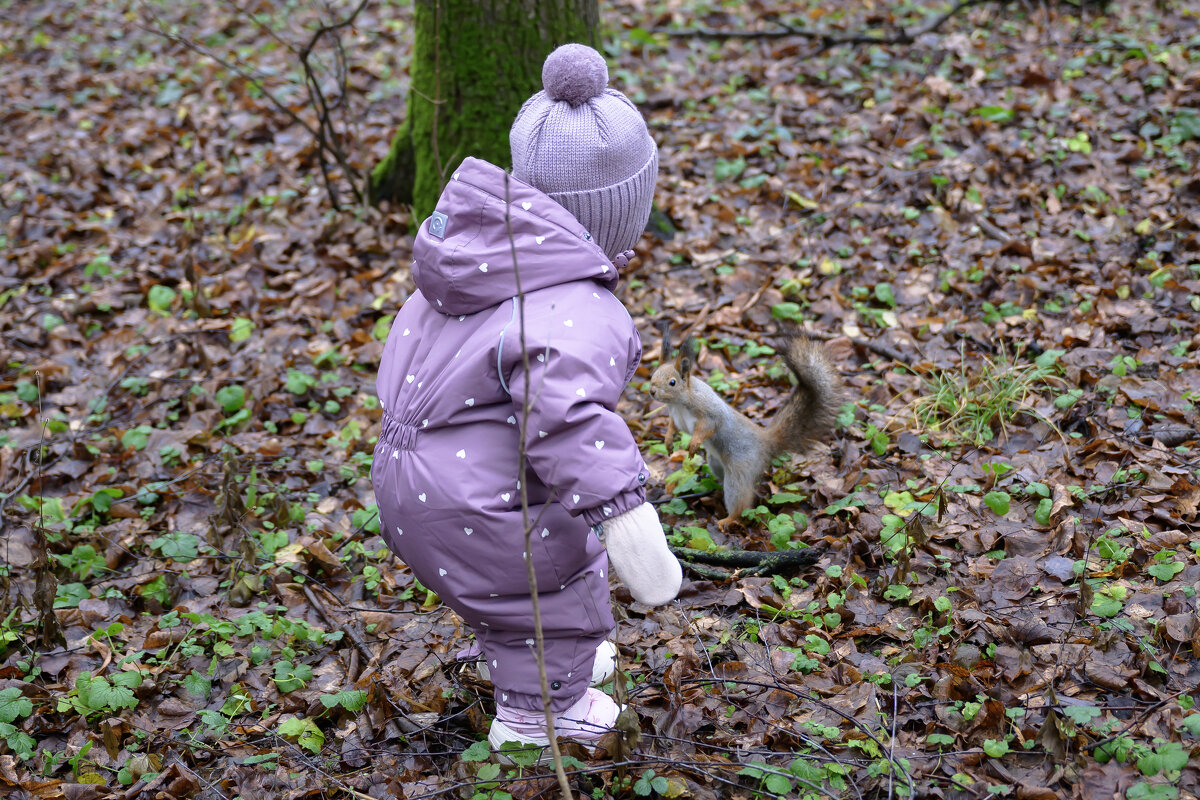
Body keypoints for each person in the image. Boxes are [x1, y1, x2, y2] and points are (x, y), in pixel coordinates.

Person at [371, 43, 682, 755]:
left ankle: (521, 658)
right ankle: (538, 717)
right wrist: (628, 518)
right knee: (554, 589)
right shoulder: (577, 309)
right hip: (475, 501)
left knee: (509, 590)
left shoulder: (472, 261)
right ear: (618, 215)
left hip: (410, 478)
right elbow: (570, 426)